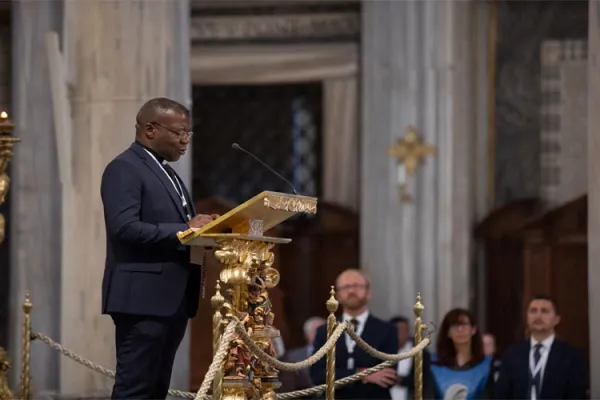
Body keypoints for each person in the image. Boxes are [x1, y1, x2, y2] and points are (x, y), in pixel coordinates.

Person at [101, 97, 217, 399]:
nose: (185, 140)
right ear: (150, 130)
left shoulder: (166, 172)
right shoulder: (124, 168)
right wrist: (184, 230)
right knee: (135, 390)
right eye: (179, 132)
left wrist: (203, 228)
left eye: (188, 134)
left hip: (172, 298)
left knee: (156, 390)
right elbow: (124, 228)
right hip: (142, 299)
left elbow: (179, 225)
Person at [309, 269, 398, 399]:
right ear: (337, 295)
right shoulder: (325, 331)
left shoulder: (387, 330)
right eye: (346, 287)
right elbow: (317, 374)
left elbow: (388, 376)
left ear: (369, 293)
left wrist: (341, 376)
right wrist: (363, 374)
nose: (351, 291)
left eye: (357, 286)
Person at [493, 295, 587, 399]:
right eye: (533, 311)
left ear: (557, 319)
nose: (538, 316)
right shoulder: (512, 355)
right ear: (527, 318)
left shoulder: (571, 356)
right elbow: (502, 395)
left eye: (544, 311)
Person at [424, 308, 493, 399]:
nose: (460, 330)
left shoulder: (485, 365)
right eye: (454, 325)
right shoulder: (433, 364)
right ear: (448, 332)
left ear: (473, 330)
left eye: (464, 325)